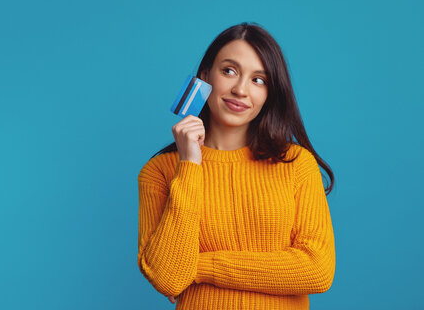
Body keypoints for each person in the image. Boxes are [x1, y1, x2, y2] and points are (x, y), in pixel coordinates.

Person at [136, 22, 336, 309]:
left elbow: (317, 270)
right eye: (229, 71)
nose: (241, 89)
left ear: (270, 92)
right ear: (205, 77)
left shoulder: (295, 164)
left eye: (258, 80)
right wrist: (190, 163)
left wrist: (200, 266)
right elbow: (168, 279)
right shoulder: (160, 172)